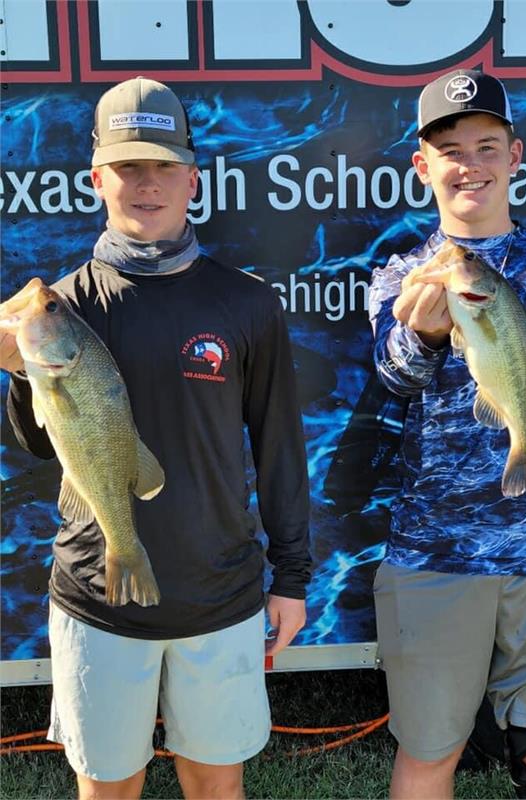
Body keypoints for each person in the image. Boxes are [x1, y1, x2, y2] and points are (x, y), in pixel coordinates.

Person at [1, 76, 311, 800]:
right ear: (96, 177)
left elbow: (281, 449)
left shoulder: (246, 302)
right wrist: (19, 372)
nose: (147, 184)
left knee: (214, 785)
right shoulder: (61, 306)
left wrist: (291, 578)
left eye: (164, 164)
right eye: (128, 166)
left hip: (221, 595)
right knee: (108, 787)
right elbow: (40, 447)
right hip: (96, 594)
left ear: (194, 178)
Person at [369, 69, 526, 800]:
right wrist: (421, 336)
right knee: (431, 751)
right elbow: (392, 381)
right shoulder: (400, 274)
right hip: (435, 552)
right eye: (452, 150)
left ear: (516, 155)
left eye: (487, 145)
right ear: (423, 165)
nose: (471, 164)